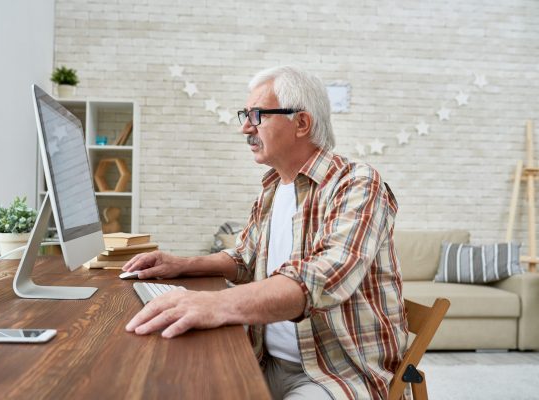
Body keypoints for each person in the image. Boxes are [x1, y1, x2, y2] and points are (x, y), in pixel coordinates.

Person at [123, 66, 409, 399]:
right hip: (265, 359)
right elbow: (245, 258)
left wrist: (216, 303)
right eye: (245, 114)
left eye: (257, 115)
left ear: (301, 123)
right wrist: (181, 264)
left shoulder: (356, 183)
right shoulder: (273, 188)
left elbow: (323, 278)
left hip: (333, 373)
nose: (245, 127)